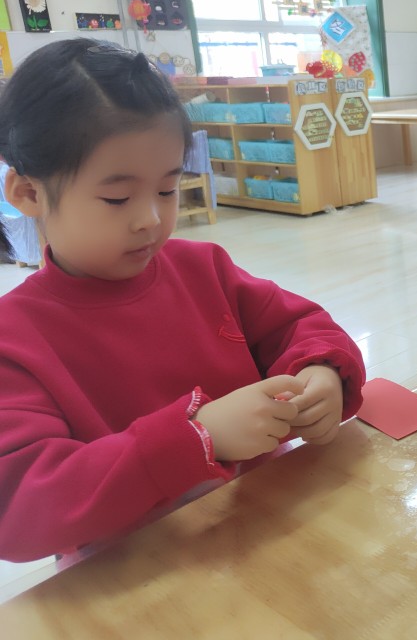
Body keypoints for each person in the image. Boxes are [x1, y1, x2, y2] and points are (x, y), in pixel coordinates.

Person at [0, 40, 366, 562]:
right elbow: (17, 510)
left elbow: (301, 325)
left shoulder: (203, 268)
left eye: (168, 190)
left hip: (269, 527)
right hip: (138, 575)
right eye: (117, 198)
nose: (150, 218)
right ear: (29, 193)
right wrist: (199, 438)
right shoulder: (15, 338)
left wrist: (321, 372)